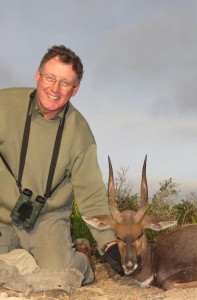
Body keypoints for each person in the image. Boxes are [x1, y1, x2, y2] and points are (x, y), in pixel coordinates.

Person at [0, 45, 123, 285]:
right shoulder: (4, 105)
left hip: (47, 218)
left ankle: (82, 260)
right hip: (2, 216)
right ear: (38, 75)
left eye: (65, 83)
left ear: (75, 89)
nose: (55, 89)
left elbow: (91, 193)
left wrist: (108, 243)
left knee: (57, 277)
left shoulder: (80, 133)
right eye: (50, 78)